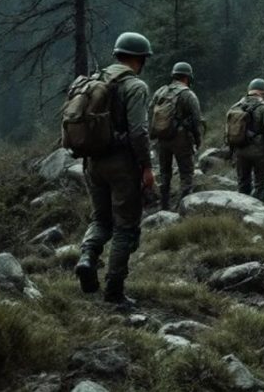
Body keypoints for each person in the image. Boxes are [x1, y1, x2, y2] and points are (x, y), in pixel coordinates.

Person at [75, 31, 155, 305]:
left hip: (92, 162)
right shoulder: (135, 86)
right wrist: (146, 167)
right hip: (122, 166)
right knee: (125, 227)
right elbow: (138, 132)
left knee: (100, 220)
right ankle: (114, 292)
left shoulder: (95, 80)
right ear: (139, 58)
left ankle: (87, 257)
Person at [150, 61, 204, 211]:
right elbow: (196, 119)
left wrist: (153, 135)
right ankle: (184, 208)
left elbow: (151, 112)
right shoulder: (188, 94)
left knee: (164, 174)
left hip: (162, 138)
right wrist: (198, 139)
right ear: (188, 77)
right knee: (186, 174)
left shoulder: (160, 91)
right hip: (181, 139)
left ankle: (164, 207)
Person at [227, 78, 264, 200]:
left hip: (240, 150)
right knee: (260, 184)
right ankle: (258, 211)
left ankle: (243, 211)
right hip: (259, 152)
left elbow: (228, 132)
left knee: (243, 184)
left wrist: (232, 152)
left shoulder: (235, 106)